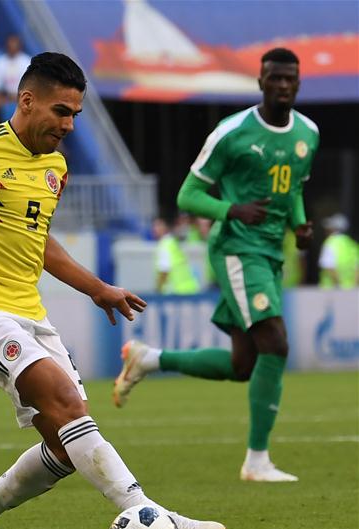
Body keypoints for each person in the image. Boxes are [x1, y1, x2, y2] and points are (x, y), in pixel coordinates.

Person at [0, 52, 225, 529]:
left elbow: (40, 243)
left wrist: (97, 288)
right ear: (27, 101)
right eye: (61, 111)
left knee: (68, 448)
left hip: (33, 316)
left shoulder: (55, 167)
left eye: (75, 115)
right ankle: (152, 513)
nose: (68, 125)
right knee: (70, 406)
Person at [114, 48, 319, 483]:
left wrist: (300, 226)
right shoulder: (233, 133)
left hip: (269, 253)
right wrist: (233, 210)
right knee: (276, 343)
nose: (283, 85)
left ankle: (149, 359)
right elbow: (187, 196)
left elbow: (295, 188)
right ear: (261, 82)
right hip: (236, 248)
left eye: (290, 79)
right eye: (275, 78)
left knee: (243, 364)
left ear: (298, 83)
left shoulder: (308, 133)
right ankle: (257, 460)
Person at [153, 217, 200, 294]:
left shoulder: (164, 245)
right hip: (189, 289)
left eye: (158, 225)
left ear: (165, 227)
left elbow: (164, 271)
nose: (154, 229)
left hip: (177, 293)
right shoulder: (172, 242)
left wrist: (158, 290)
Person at [318, 214, 358, 289]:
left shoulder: (330, 242)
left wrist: (340, 287)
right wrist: (353, 288)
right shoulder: (352, 244)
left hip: (331, 292)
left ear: (333, 229)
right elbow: (357, 270)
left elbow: (329, 267)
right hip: (350, 291)